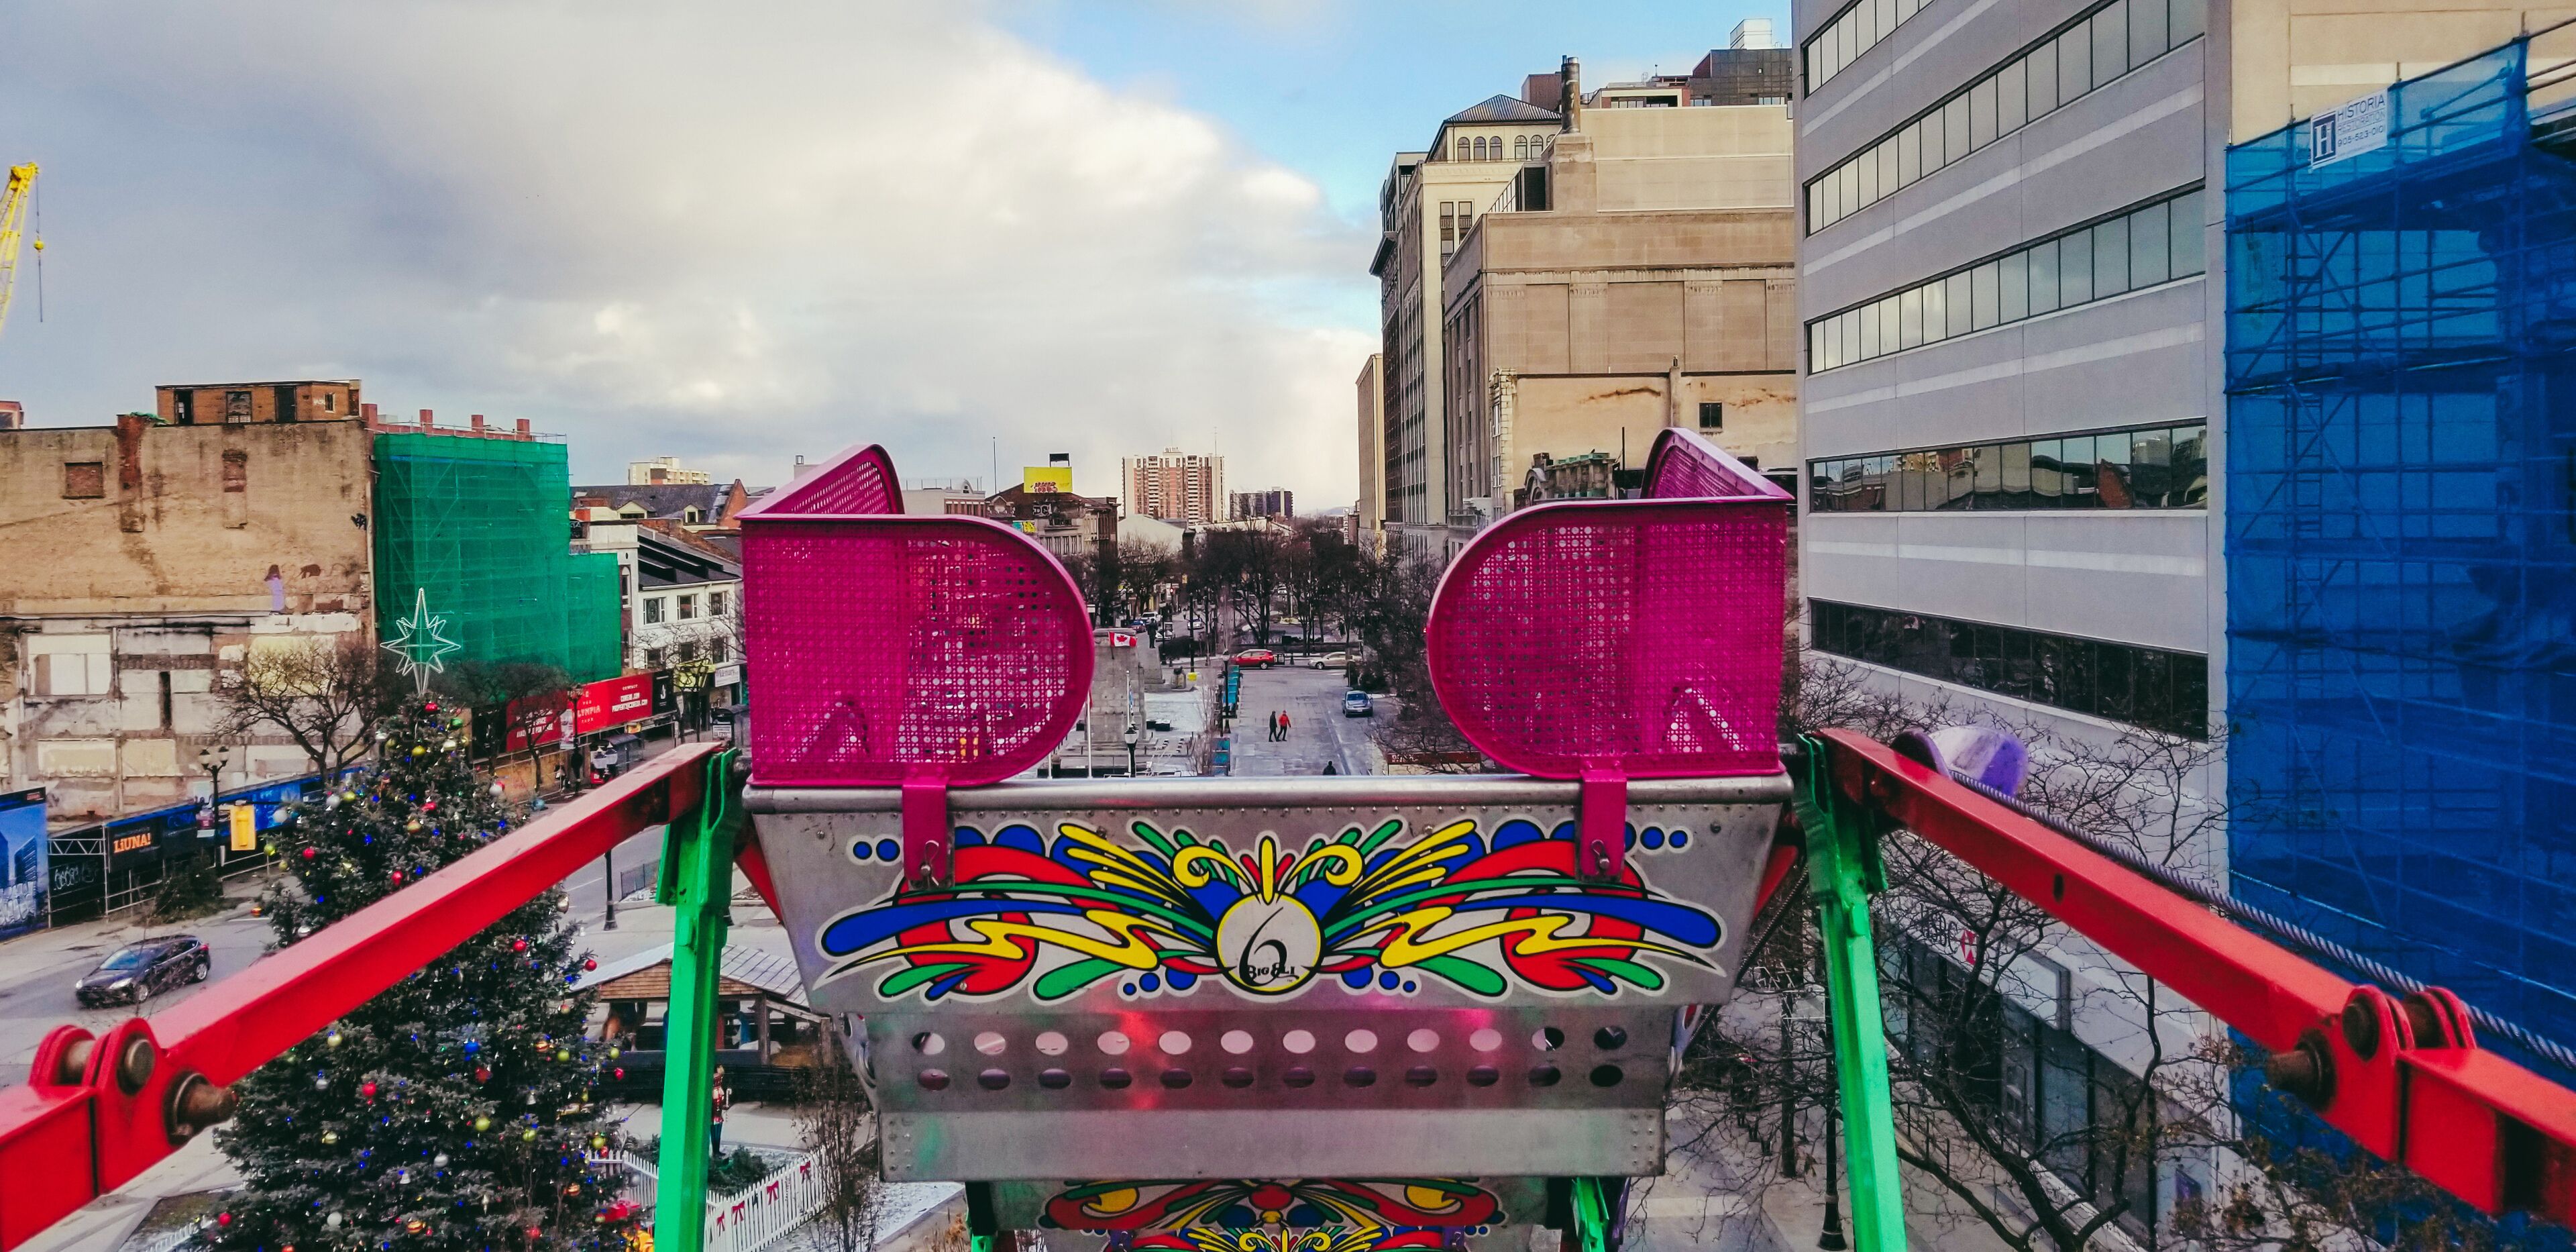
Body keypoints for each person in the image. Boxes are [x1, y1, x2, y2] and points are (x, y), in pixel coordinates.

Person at [709, 1065, 731, 1156]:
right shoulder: (715, 1091)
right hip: (714, 1116)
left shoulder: (718, 1091)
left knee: (717, 1132)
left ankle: (716, 1151)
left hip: (718, 1115)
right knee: (715, 1132)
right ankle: (715, 1151)